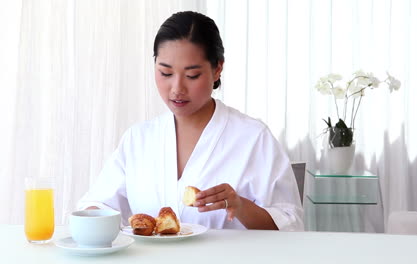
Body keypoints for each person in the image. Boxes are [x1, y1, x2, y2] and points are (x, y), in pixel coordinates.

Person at [78, 11, 304, 231]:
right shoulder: (138, 138)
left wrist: (241, 206)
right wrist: (91, 216)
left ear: (217, 69)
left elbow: (290, 224)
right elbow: (100, 204)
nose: (177, 89)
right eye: (165, 73)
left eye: (192, 75)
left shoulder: (253, 138)